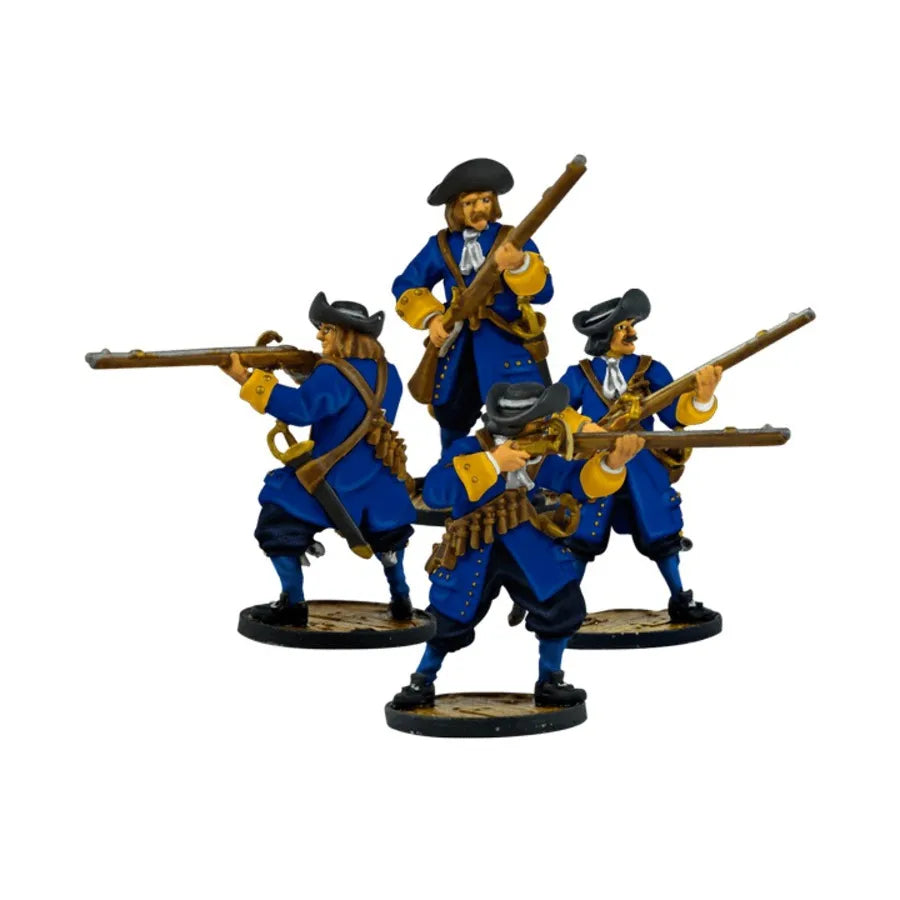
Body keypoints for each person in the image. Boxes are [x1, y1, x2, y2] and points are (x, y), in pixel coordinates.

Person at [391, 382, 644, 709]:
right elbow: (436, 492)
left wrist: (612, 464)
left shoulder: (543, 455)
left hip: (528, 546)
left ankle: (550, 680)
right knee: (449, 616)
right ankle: (421, 681)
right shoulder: (469, 448)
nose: (550, 424)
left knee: (562, 605)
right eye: (542, 419)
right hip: (474, 546)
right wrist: (493, 463)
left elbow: (576, 483)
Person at [222, 292, 416, 627]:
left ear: (345, 333)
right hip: (377, 479)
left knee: (276, 523)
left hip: (333, 479)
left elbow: (302, 409)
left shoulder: (332, 374)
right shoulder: (391, 373)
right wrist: (298, 372)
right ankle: (402, 600)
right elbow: (342, 398)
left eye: (327, 329)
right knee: (390, 541)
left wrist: (247, 379)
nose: (319, 335)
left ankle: (293, 603)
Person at [558, 288, 723, 623]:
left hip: (643, 468)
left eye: (631, 325)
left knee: (662, 533)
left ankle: (680, 598)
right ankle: (565, 607)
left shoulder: (650, 370)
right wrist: (585, 427)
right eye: (623, 327)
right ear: (603, 334)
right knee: (580, 537)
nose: (631, 332)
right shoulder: (579, 375)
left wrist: (702, 397)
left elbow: (674, 414)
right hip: (595, 467)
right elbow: (557, 411)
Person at [392, 158, 554, 450]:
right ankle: (452, 470)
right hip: (458, 350)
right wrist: (432, 319)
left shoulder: (512, 239)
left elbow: (545, 292)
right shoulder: (441, 245)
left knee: (523, 421)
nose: (479, 208)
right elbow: (407, 284)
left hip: (507, 345)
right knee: (452, 420)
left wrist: (519, 264)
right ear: (455, 207)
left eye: (485, 200)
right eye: (469, 203)